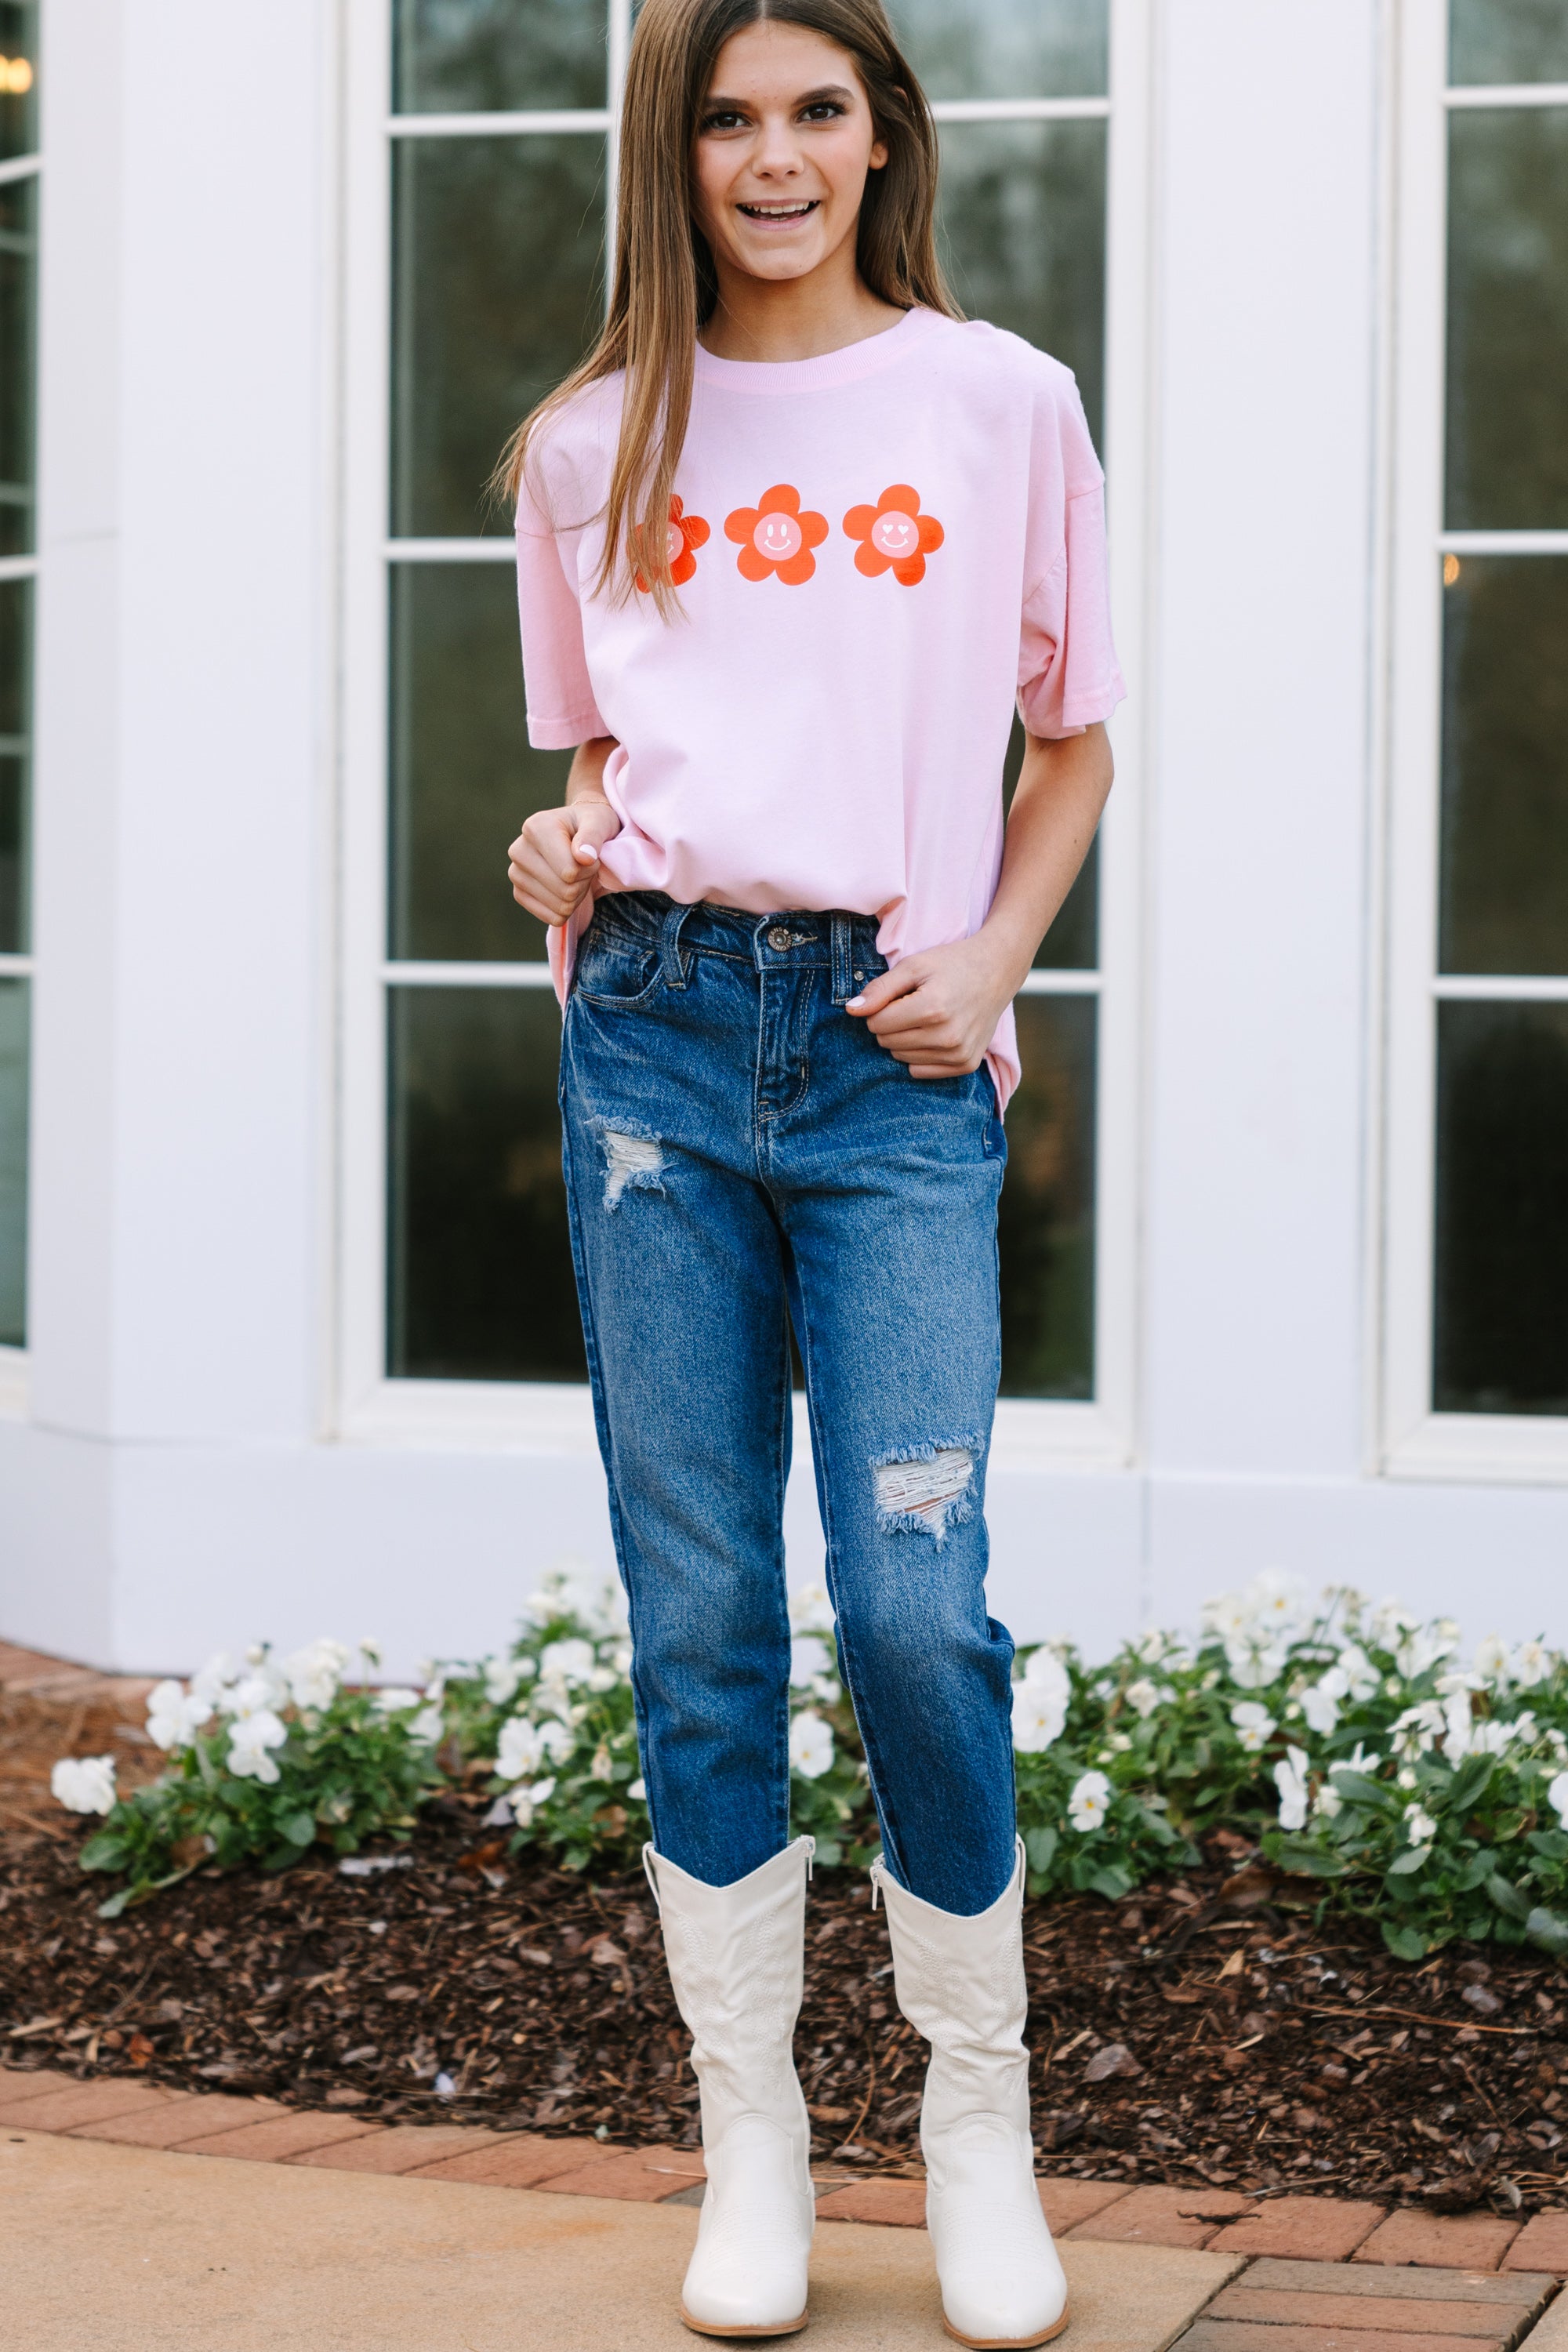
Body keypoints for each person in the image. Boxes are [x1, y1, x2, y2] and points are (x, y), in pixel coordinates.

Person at [504, 0, 1120, 2339]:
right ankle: (751, 2135)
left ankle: (978, 2119)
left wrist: (996, 952)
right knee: (696, 1621)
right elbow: (591, 768)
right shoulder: (586, 443)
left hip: (886, 1059)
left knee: (917, 1603)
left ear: (882, 139)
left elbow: (1068, 739)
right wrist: (556, 842)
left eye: (816, 114)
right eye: (731, 120)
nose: (775, 158)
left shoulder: (999, 403)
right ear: (678, 156)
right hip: (651, 1043)